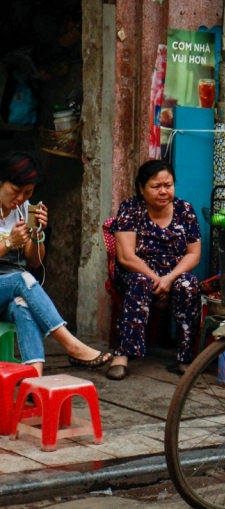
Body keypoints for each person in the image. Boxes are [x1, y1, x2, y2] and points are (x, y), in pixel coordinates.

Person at [0, 151, 112, 376]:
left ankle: (35, 378)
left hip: (10, 290)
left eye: (28, 193)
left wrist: (36, 233)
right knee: (22, 280)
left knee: (22, 305)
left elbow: (34, 260)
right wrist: (9, 242)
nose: (21, 198)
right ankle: (71, 345)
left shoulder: (23, 208)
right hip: (11, 282)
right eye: (16, 191)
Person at [108, 160, 201, 380]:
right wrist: (156, 279)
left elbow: (193, 254)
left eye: (168, 185)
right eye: (156, 186)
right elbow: (126, 256)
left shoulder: (185, 210)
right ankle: (122, 354)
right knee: (140, 281)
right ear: (141, 188)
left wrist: (169, 279)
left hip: (173, 274)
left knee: (189, 284)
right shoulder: (130, 209)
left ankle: (185, 356)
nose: (163, 191)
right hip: (135, 273)